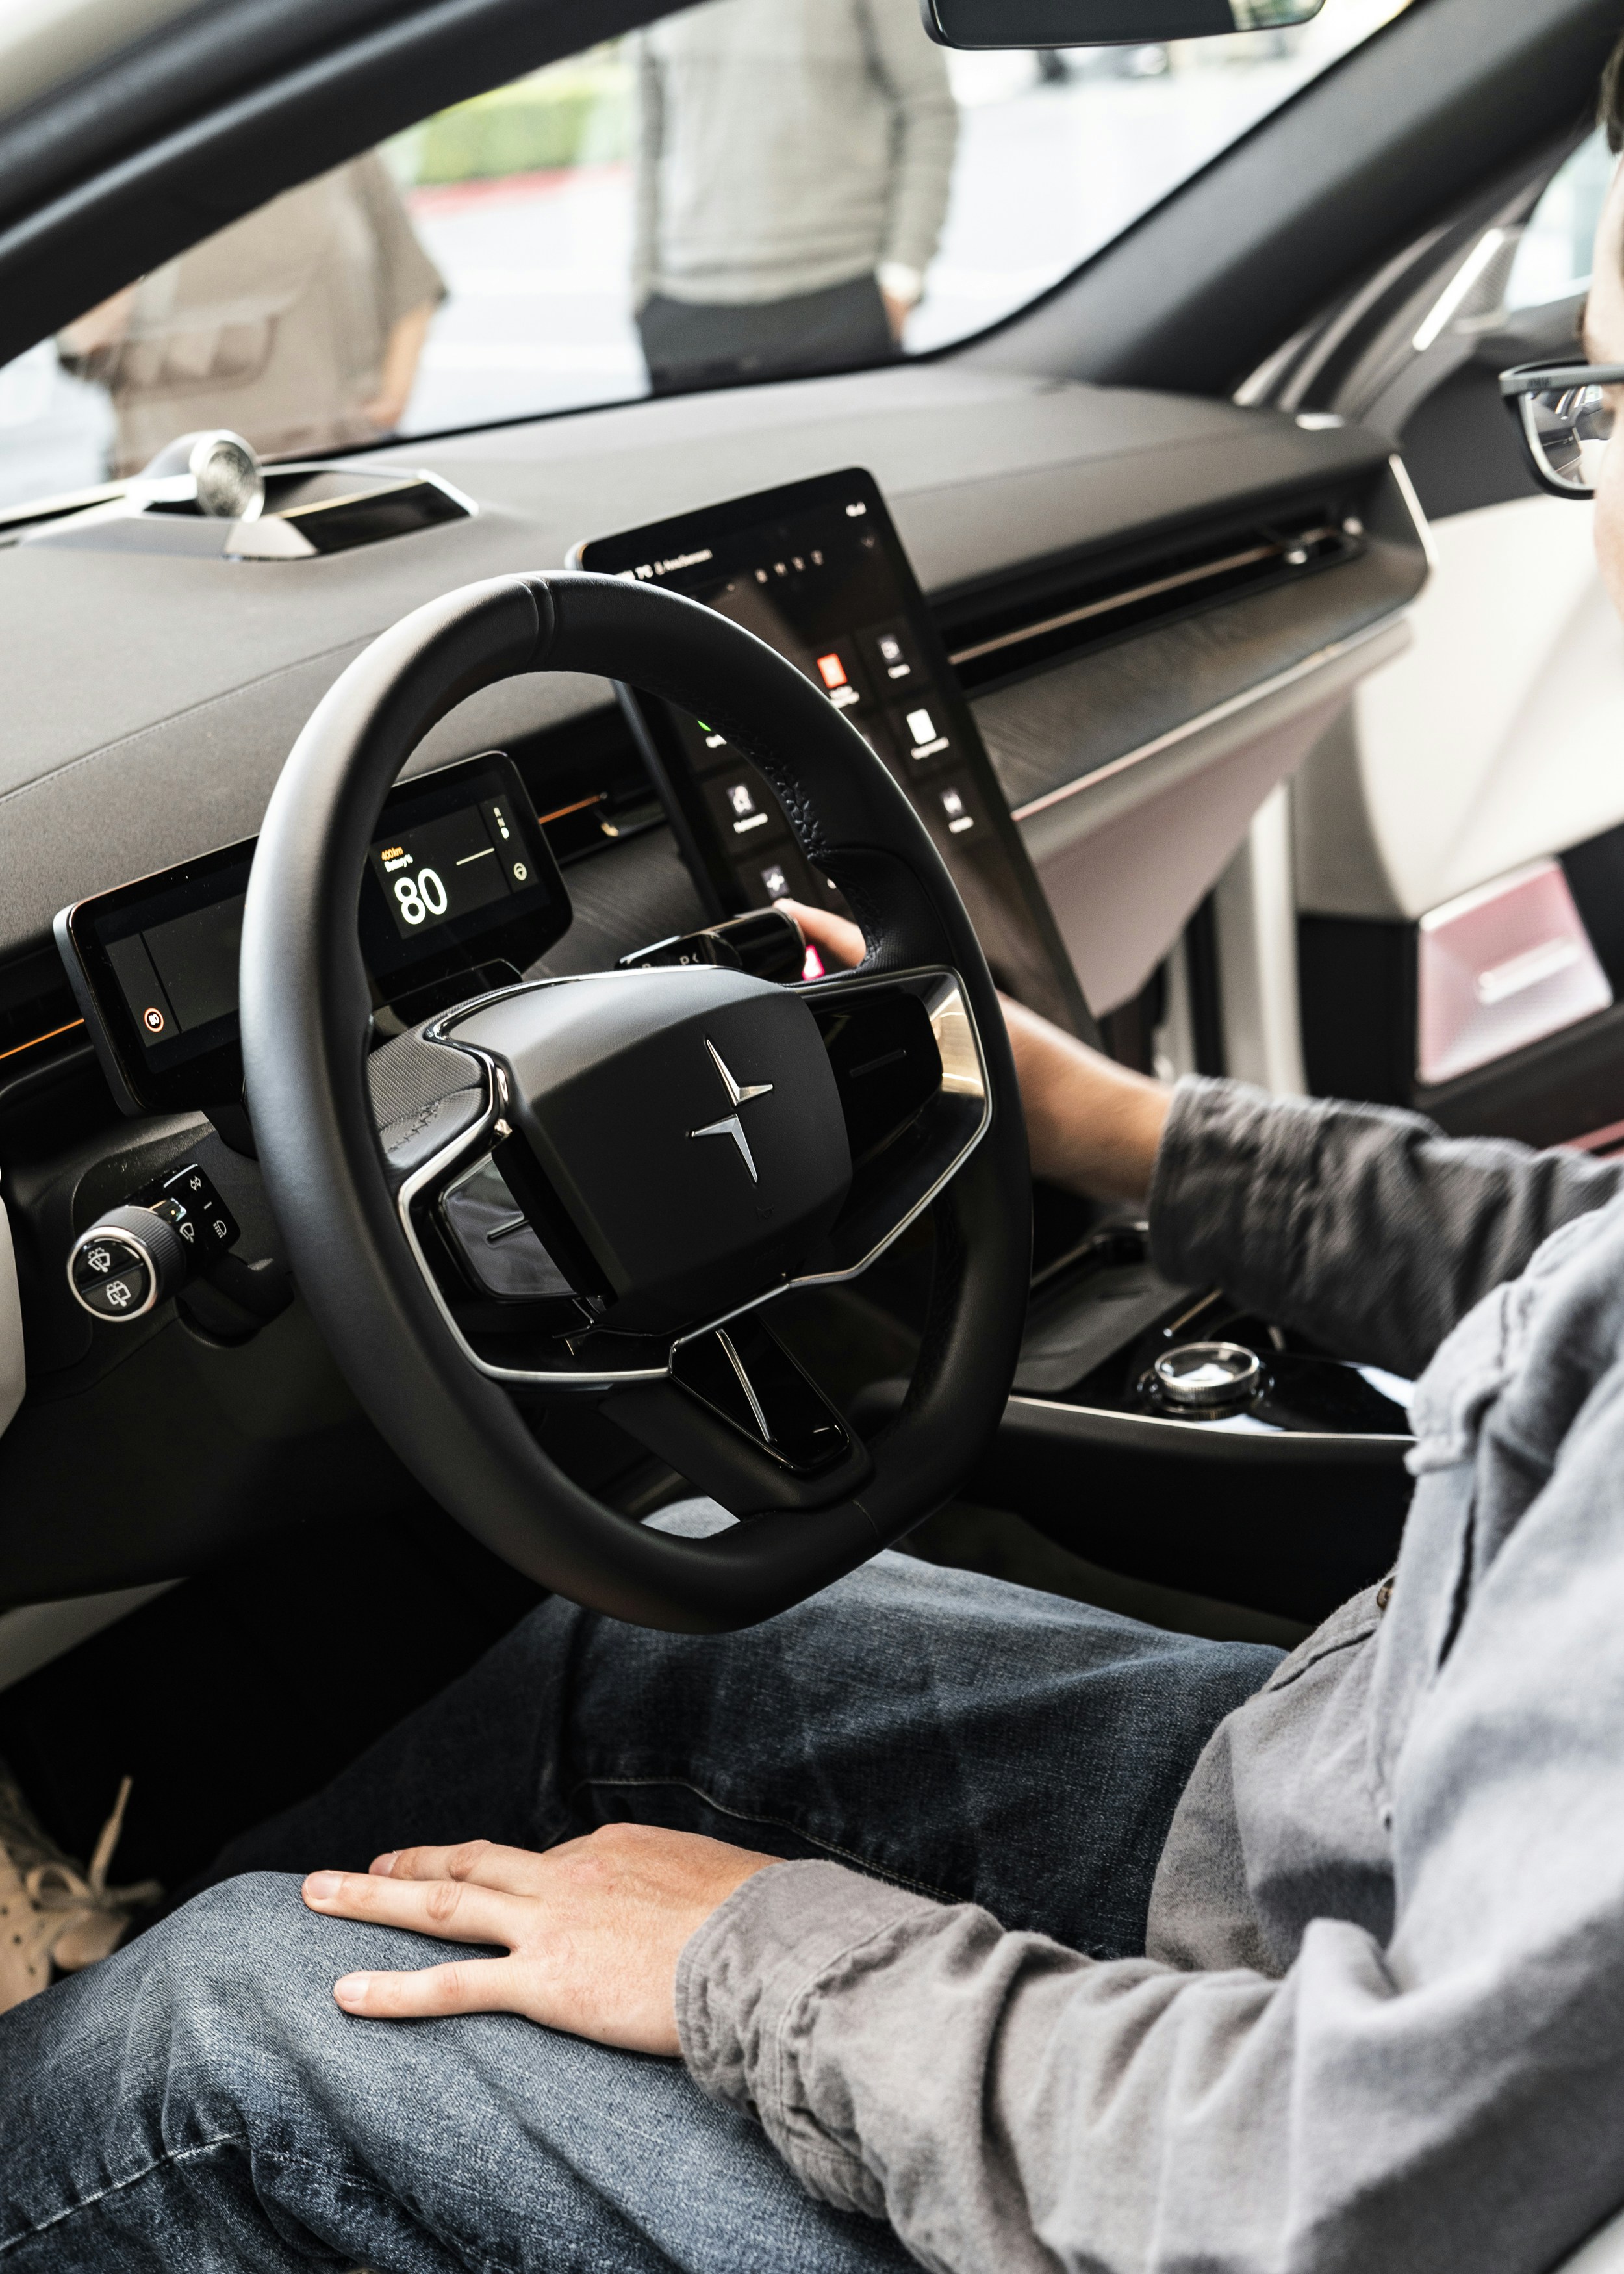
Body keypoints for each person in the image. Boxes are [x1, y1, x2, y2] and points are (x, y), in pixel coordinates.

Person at [7, 58, 1624, 2274]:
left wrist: (744, 1958)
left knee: (214, 2054)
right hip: (1417, 1872)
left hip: (1365, 2180)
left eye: (1608, 407)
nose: (1598, 497)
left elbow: (1339, 2184)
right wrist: (1118, 1131)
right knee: (635, 1679)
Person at [630, 0, 958, 394]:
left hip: (839, 294)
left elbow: (928, 108)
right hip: (684, 308)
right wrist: (641, 285)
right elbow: (650, 140)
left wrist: (904, 277)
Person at [57, 154, 445, 475]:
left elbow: (410, 277)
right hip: (179, 484)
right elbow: (86, 340)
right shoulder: (131, 162)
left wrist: (388, 403)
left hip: (335, 464)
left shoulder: (337, 143)